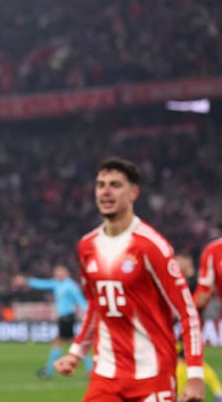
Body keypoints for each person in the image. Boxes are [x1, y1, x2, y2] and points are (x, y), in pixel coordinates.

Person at [54, 157, 205, 402]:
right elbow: (96, 305)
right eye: (100, 184)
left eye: (115, 185)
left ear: (134, 192)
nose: (106, 191)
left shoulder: (151, 246)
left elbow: (187, 312)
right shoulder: (87, 246)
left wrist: (195, 374)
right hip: (106, 375)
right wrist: (76, 352)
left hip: (152, 375)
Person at [12, 264, 93, 379]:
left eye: (60, 272)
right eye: (56, 272)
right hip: (64, 318)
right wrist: (26, 281)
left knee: (61, 343)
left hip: (68, 318)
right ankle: (89, 368)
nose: (57, 274)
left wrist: (89, 313)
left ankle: (49, 371)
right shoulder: (57, 283)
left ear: (66, 273)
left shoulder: (70, 285)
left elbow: (80, 300)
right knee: (73, 344)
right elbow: (43, 284)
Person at [175, 252, 222, 401]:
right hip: (181, 325)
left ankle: (217, 391)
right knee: (181, 359)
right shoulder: (179, 280)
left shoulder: (195, 281)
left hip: (190, 325)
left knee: (185, 360)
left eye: (181, 260)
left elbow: (204, 295)